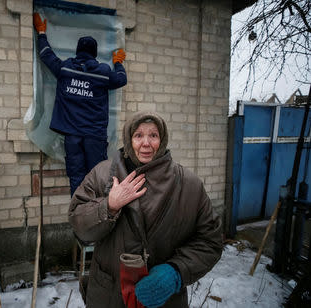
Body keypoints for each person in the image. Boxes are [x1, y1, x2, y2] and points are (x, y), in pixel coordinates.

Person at [69, 111, 223, 308]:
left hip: (164, 300)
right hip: (109, 296)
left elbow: (211, 240)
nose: (146, 143)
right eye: (138, 135)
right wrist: (109, 206)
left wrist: (176, 271)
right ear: (128, 138)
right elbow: (78, 224)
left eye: (153, 135)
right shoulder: (103, 174)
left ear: (163, 139)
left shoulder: (188, 184)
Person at [33, 12, 128, 196]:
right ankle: (95, 215)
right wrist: (118, 63)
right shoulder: (102, 73)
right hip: (94, 136)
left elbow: (46, 55)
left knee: (77, 177)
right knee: (97, 175)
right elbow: (121, 79)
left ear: (78, 51)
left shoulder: (65, 69)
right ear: (94, 54)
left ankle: (79, 215)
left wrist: (42, 33)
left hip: (73, 136)